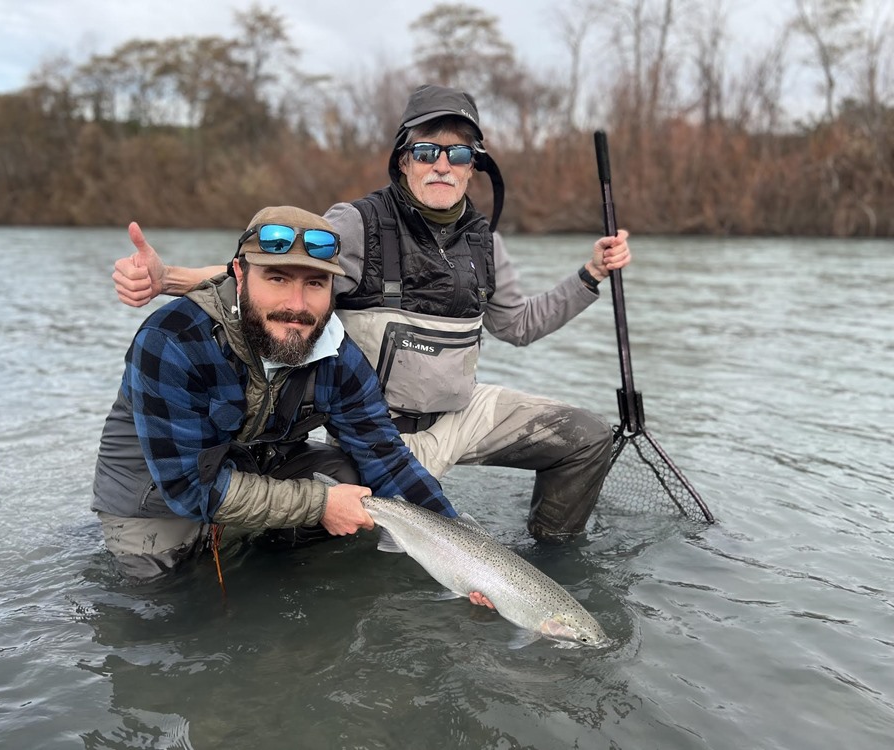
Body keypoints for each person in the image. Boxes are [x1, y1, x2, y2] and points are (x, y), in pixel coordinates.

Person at [111, 84, 632, 543]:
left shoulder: (487, 243)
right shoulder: (354, 224)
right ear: (404, 160)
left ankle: (550, 559)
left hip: (462, 410)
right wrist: (169, 280)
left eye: (459, 153)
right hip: (380, 427)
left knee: (586, 438)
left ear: (476, 165)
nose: (443, 165)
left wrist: (589, 276)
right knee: (350, 520)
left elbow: (518, 325)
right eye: (427, 151)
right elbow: (284, 272)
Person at [92, 204, 478, 586]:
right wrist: (322, 504)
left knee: (349, 475)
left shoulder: (338, 356)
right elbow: (191, 489)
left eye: (314, 283)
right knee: (164, 599)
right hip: (159, 496)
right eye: (277, 279)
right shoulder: (173, 340)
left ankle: (273, 571)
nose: (297, 305)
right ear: (239, 275)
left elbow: (387, 460)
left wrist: (466, 552)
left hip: (248, 472)